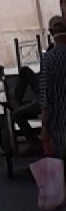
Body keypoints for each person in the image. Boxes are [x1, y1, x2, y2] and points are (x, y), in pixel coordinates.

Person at [41, 15, 66, 170]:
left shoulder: (49, 59)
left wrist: (44, 128)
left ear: (51, 33)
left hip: (60, 128)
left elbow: (45, 99)